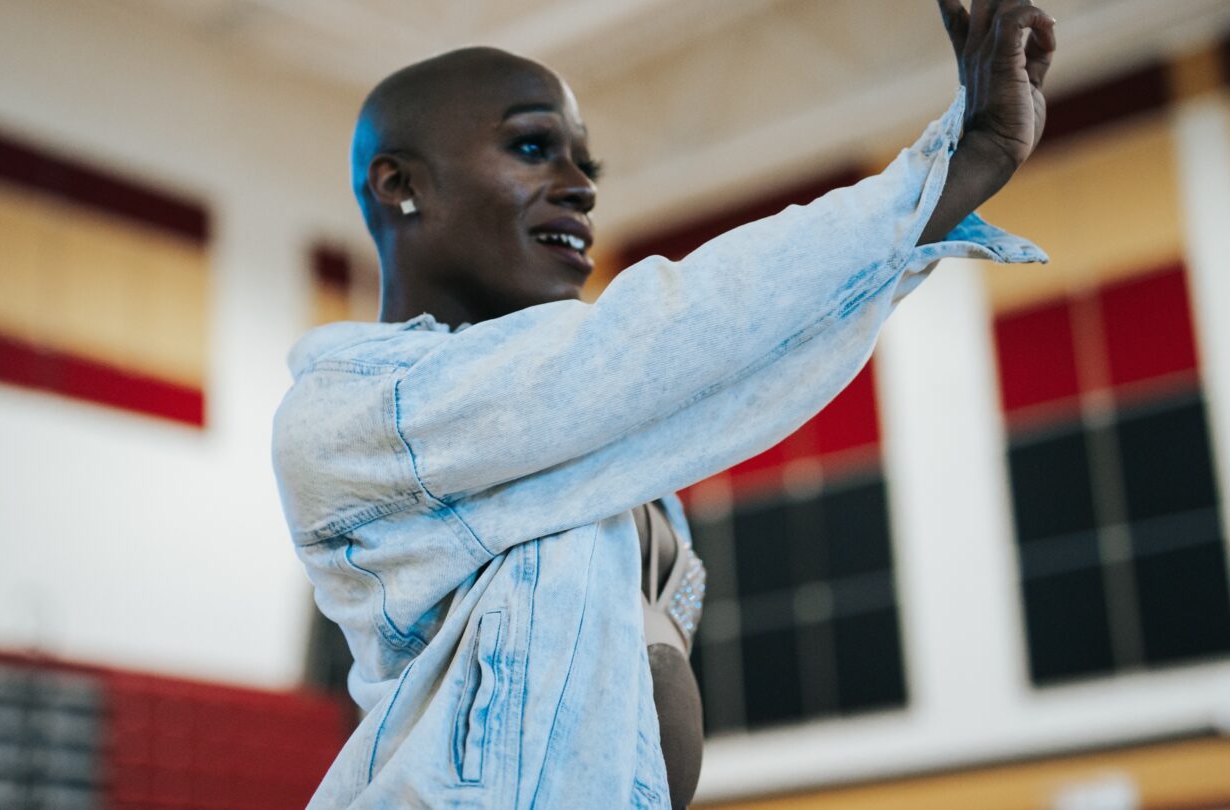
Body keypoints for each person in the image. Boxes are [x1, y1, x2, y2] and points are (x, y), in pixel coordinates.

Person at [272, 1, 1055, 806]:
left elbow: (736, 366)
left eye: (588, 170)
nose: (579, 190)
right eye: (534, 147)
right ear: (402, 185)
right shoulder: (357, 413)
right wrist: (951, 173)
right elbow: (673, 329)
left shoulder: (596, 445)